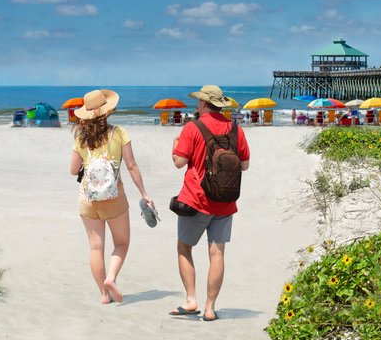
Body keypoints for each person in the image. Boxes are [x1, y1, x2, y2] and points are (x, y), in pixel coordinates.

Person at [169, 84, 251, 322]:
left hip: (196, 200)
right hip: (225, 201)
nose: (197, 105)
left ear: (204, 104)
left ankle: (191, 299)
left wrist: (175, 145)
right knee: (217, 254)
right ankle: (210, 307)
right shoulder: (236, 129)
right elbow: (244, 165)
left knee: (184, 248)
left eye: (199, 102)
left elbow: (178, 161)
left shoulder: (192, 127)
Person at [69, 89, 153, 305]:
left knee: (96, 247)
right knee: (122, 243)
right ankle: (111, 278)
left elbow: (73, 169)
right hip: (114, 196)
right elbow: (132, 165)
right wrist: (144, 193)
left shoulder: (80, 136)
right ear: (107, 111)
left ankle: (104, 295)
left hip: (88, 198)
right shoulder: (119, 133)